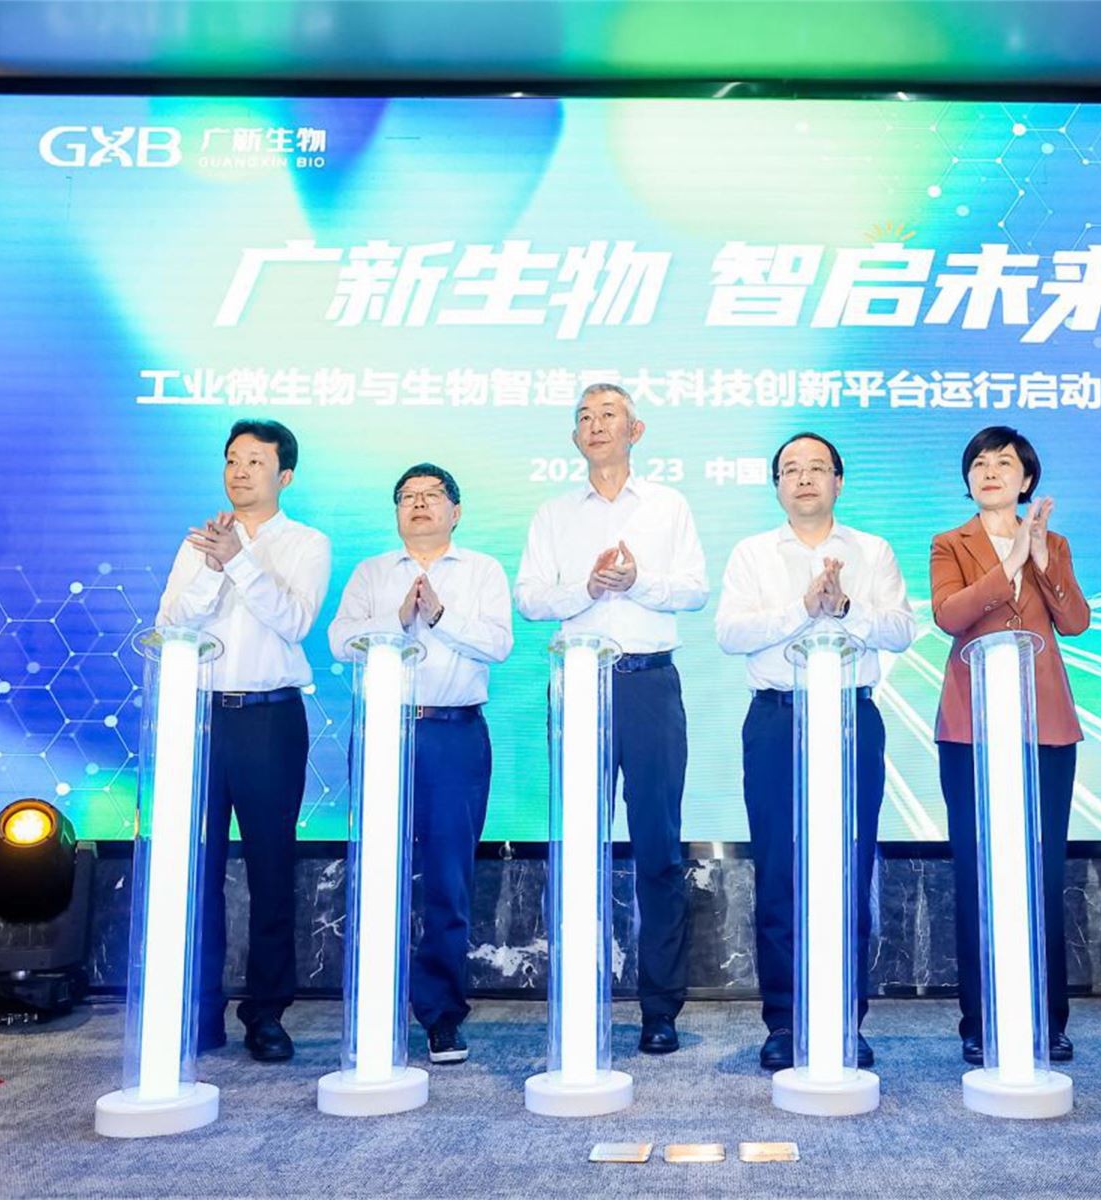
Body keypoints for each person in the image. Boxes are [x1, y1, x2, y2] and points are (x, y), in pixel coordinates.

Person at [514, 383, 708, 1054]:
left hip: (649, 683)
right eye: (584, 418)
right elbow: (529, 599)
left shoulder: (667, 506)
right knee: (578, 844)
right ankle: (579, 999)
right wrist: (588, 589)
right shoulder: (553, 514)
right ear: (575, 438)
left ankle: (659, 1008)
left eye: (608, 416)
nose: (595, 426)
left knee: (658, 847)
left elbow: (694, 589)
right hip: (578, 685)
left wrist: (636, 582)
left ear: (636, 430)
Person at [715, 432, 917, 1071]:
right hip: (778, 721)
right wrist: (802, 610)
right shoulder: (752, 553)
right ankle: (784, 1020)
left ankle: (844, 1019)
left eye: (817, 468)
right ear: (777, 485)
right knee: (779, 871)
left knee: (849, 871)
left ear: (838, 481)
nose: (804, 478)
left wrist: (845, 606)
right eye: (791, 470)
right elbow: (730, 633)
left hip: (853, 718)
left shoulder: (872, 551)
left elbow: (901, 629)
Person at [328, 463, 513, 1065]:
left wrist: (439, 616)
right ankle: (375, 1012)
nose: (419, 504)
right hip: (383, 730)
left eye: (432, 496)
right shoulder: (372, 572)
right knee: (378, 873)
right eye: (407, 496)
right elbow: (339, 640)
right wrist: (398, 619)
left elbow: (499, 645)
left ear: (456, 511)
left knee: (447, 880)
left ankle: (441, 1015)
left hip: (454, 734)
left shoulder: (482, 571)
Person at [157, 419, 330, 1062]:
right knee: (195, 868)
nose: (239, 470)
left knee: (270, 869)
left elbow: (294, 620)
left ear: (285, 476)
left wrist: (240, 562)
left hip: (269, 720)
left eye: (255, 461)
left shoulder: (307, 544)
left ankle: (266, 1013)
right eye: (232, 459)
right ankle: (199, 1009)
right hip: (201, 717)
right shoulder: (198, 543)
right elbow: (172, 622)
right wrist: (213, 565)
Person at [929, 425, 1089, 1067]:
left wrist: (1041, 559)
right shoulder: (950, 543)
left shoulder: (1056, 542)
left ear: (1026, 480)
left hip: (1044, 726)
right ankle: (981, 1018)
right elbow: (950, 614)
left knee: (1043, 874)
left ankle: (1048, 1019)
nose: (990, 471)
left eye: (1003, 463)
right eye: (979, 463)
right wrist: (1010, 562)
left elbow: (1074, 622)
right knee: (978, 872)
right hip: (971, 726)